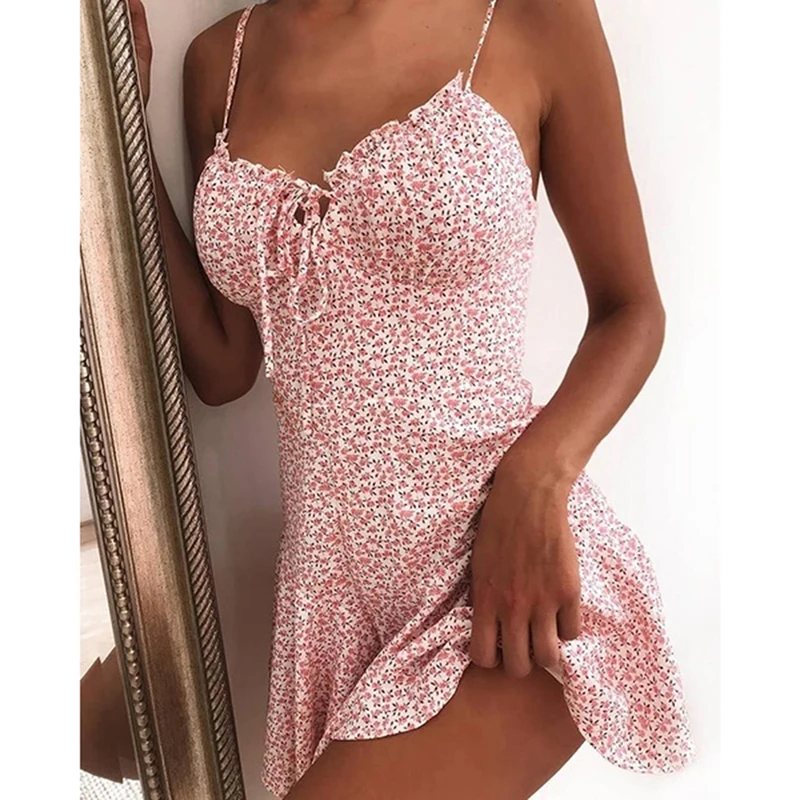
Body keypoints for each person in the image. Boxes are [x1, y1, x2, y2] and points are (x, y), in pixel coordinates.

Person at [129, 1, 696, 797]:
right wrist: (121, 133)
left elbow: (631, 311)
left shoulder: (530, 15)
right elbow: (224, 365)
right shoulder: (220, 61)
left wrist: (537, 480)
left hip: (498, 577)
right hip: (330, 603)